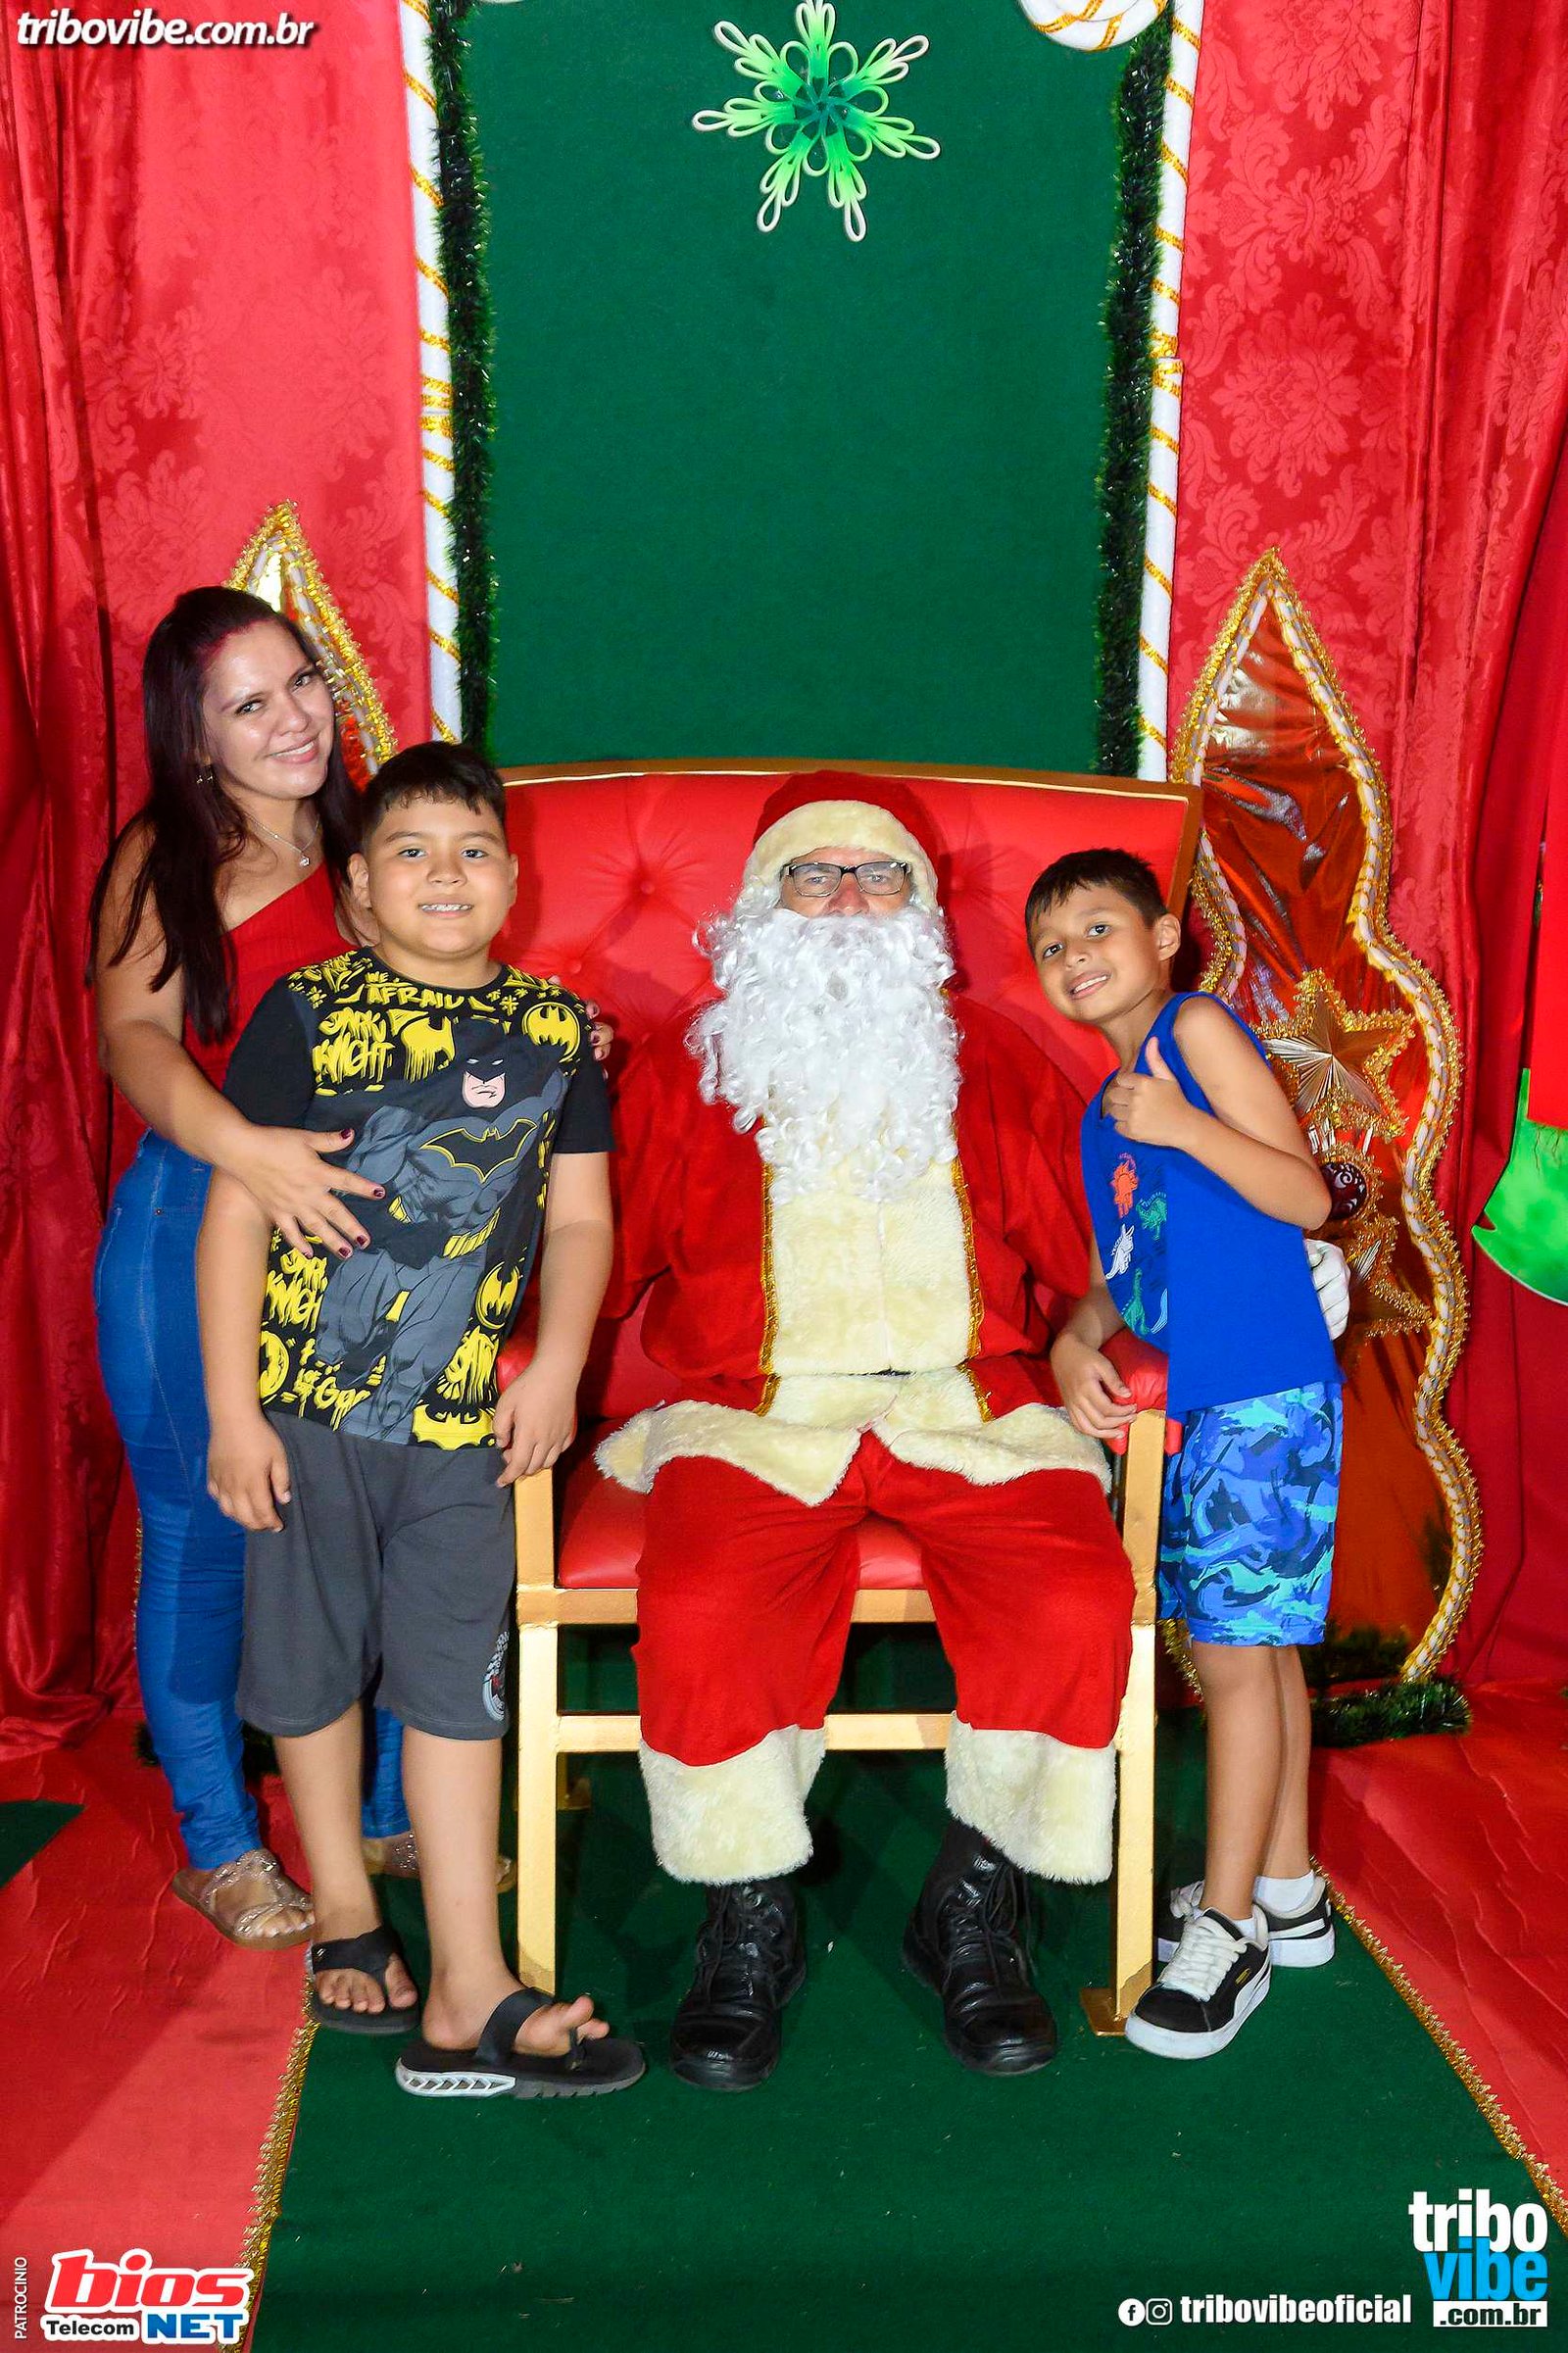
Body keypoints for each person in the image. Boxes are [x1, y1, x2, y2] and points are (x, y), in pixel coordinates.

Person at [600, 774, 1140, 2090]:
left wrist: (1085, 1331)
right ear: (760, 900)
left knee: (1075, 1594)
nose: (847, 900)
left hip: (966, 1397)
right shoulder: (685, 1063)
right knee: (703, 1602)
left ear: (920, 905)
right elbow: (595, 1253)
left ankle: (975, 1895)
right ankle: (747, 1911)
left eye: (878, 874)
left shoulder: (992, 1056)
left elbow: (1097, 1249)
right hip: (757, 1406)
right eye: (814, 873)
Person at [197, 742, 643, 2094]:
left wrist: (559, 1368)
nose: (445, 875)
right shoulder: (308, 1010)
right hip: (307, 1413)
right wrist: (232, 1413)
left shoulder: (558, 1034)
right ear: (356, 885)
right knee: (312, 1667)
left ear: (512, 877)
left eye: (472, 851)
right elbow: (234, 1213)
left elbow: (581, 1219)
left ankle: (470, 1979)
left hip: (466, 1433)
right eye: (411, 852)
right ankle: (346, 1905)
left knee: (459, 1688)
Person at [90, 588, 405, 1949]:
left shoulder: (377, 837)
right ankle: (219, 1844)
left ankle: (388, 1813)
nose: (294, 719)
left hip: (361, 1245)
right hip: (188, 1228)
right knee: (205, 1532)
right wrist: (251, 1154)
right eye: (249, 703)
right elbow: (134, 1037)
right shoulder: (166, 854)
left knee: (381, 1526)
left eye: (303, 682)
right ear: (195, 735)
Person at [1028, 847, 1343, 2061]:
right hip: (1200, 1406)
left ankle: (1228, 1929)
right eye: (1051, 946)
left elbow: (1305, 1198)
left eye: (1098, 928)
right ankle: (1289, 1889)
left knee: (1232, 1661)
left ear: (1163, 935)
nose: (1075, 957)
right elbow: (1125, 1272)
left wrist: (1184, 1125)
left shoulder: (1194, 1034)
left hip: (1261, 1390)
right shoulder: (1100, 1114)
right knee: (1255, 1651)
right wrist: (1072, 1341)